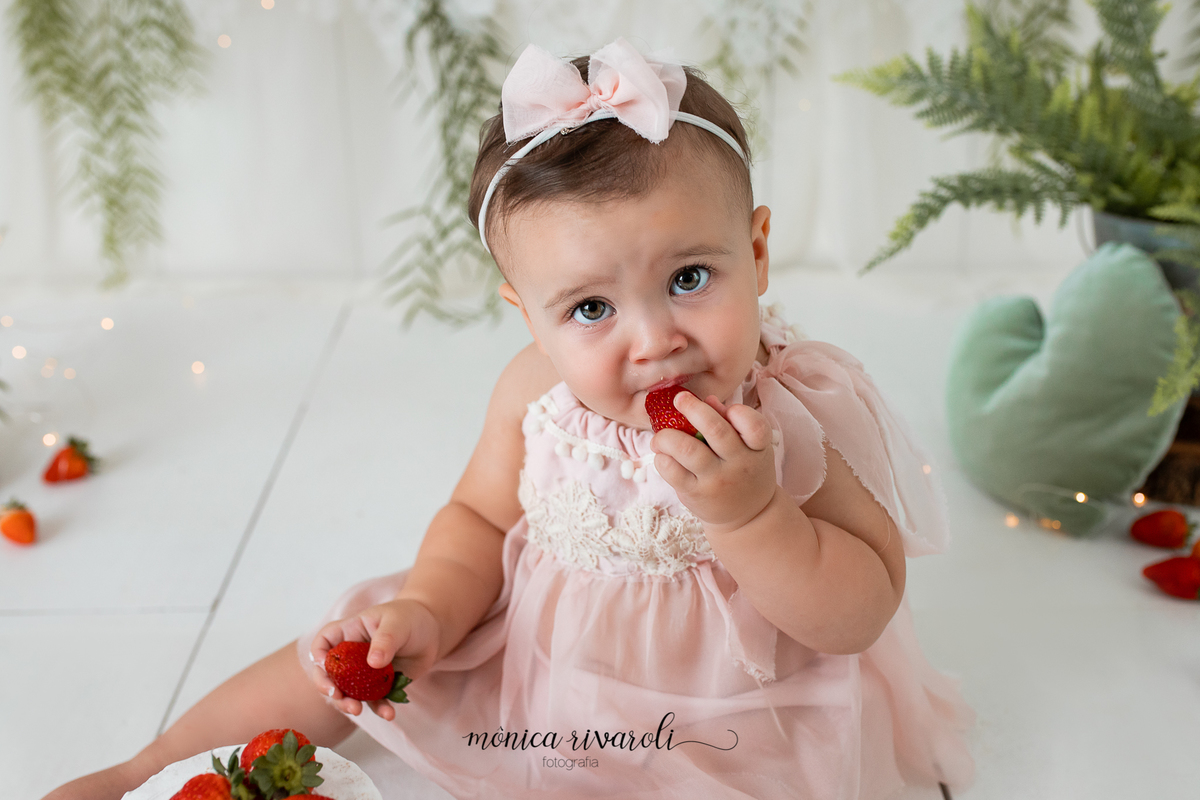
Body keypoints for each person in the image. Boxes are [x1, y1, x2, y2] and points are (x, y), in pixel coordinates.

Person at [45, 38, 975, 800]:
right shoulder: (535, 391)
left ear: (759, 252)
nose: (654, 342)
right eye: (590, 309)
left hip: (732, 712)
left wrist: (755, 519)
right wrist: (431, 612)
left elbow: (860, 610)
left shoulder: (791, 411)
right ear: (525, 311)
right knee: (344, 647)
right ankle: (149, 766)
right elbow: (483, 520)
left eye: (690, 278)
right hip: (538, 660)